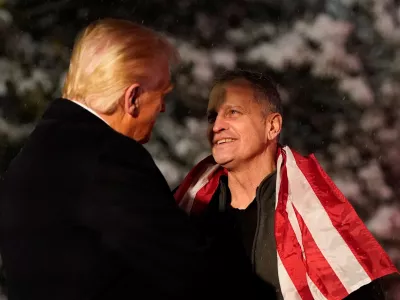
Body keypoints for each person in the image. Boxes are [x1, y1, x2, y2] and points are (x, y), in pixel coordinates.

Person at [0, 18, 237, 300]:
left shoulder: (36, 153)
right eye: (162, 94)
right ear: (133, 98)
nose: (162, 108)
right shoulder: (109, 160)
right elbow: (190, 272)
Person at [174, 69, 398, 300]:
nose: (217, 126)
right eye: (212, 116)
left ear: (272, 126)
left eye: (233, 112)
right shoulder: (186, 205)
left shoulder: (317, 215)